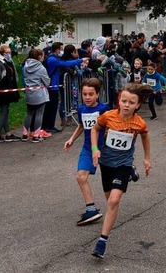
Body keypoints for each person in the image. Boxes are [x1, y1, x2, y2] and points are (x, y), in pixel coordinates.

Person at [90, 83, 153, 259]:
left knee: (113, 201)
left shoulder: (139, 123)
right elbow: (95, 130)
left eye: (131, 102)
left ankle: (102, 241)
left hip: (123, 164)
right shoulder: (107, 116)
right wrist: (95, 149)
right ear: (119, 100)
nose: (126, 105)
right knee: (109, 198)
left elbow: (145, 137)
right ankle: (132, 172)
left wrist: (147, 158)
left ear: (138, 105)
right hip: (106, 164)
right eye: (123, 100)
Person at [64, 78, 109, 226]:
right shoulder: (81, 109)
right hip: (87, 148)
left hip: (104, 149)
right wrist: (71, 139)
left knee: (109, 183)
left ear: (97, 95)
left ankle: (129, 169)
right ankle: (91, 209)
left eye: (91, 94)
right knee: (80, 177)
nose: (87, 97)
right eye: (84, 94)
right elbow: (82, 126)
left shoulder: (103, 109)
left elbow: (111, 126)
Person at [41, 42, 89, 134]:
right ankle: (47, 126)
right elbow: (66, 63)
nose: (62, 51)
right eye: (61, 49)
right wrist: (81, 60)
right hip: (52, 85)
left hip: (54, 85)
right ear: (57, 49)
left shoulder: (54, 58)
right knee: (51, 107)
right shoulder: (52, 59)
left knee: (53, 106)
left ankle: (50, 125)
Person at [0, 44, 21, 143]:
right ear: (2, 53)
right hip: (2, 93)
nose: (9, 54)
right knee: (4, 112)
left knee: (5, 112)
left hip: (7, 91)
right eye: (6, 53)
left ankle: (8, 133)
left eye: (9, 52)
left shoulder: (6, 62)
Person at [22, 48, 51, 142]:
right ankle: (36, 135)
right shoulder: (41, 68)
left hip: (29, 92)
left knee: (29, 113)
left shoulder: (25, 66)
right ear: (39, 56)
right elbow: (47, 82)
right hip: (39, 94)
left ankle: (25, 134)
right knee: (39, 114)